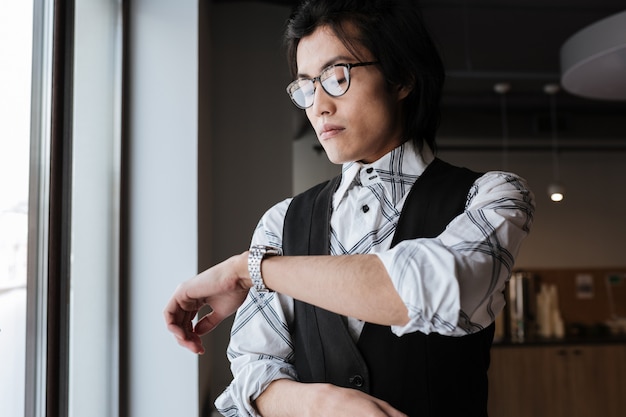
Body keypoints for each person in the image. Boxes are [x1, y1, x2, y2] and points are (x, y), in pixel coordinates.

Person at [164, 0, 535, 416]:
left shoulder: (492, 195)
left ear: (401, 78)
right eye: (306, 85)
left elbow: (443, 291)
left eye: (337, 76)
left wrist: (248, 269)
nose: (318, 105)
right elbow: (252, 373)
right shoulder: (281, 222)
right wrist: (320, 403)